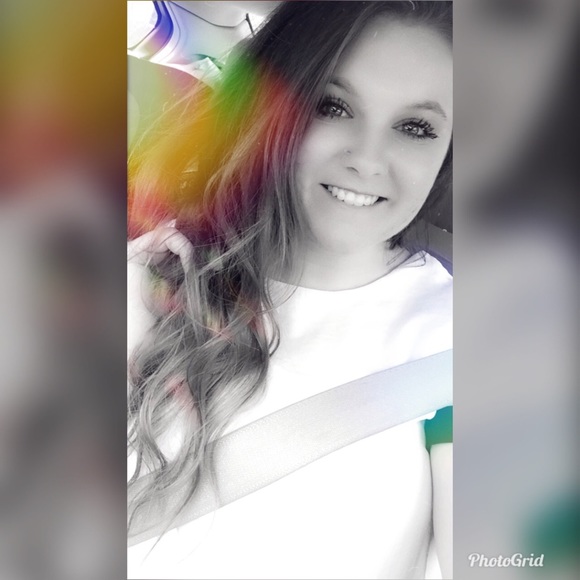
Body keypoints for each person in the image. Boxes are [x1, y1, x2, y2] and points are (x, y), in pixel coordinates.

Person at [127, 2, 453, 578]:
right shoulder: (148, 276)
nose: (367, 159)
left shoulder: (465, 341)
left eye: (415, 128)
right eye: (333, 106)